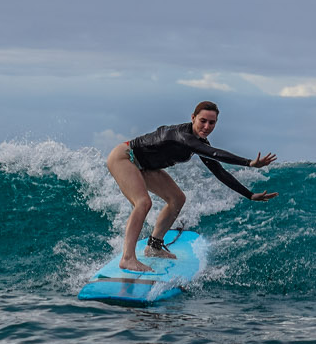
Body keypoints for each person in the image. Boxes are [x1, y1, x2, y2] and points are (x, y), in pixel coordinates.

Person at [105, 101, 278, 273]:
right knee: (143, 203)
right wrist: (248, 163)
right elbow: (215, 153)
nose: (207, 126)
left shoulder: (199, 142)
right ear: (193, 118)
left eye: (212, 123)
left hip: (145, 167)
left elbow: (218, 170)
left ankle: (154, 246)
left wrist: (249, 195)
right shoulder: (182, 136)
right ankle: (127, 258)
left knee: (177, 199)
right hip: (125, 157)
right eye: (203, 121)